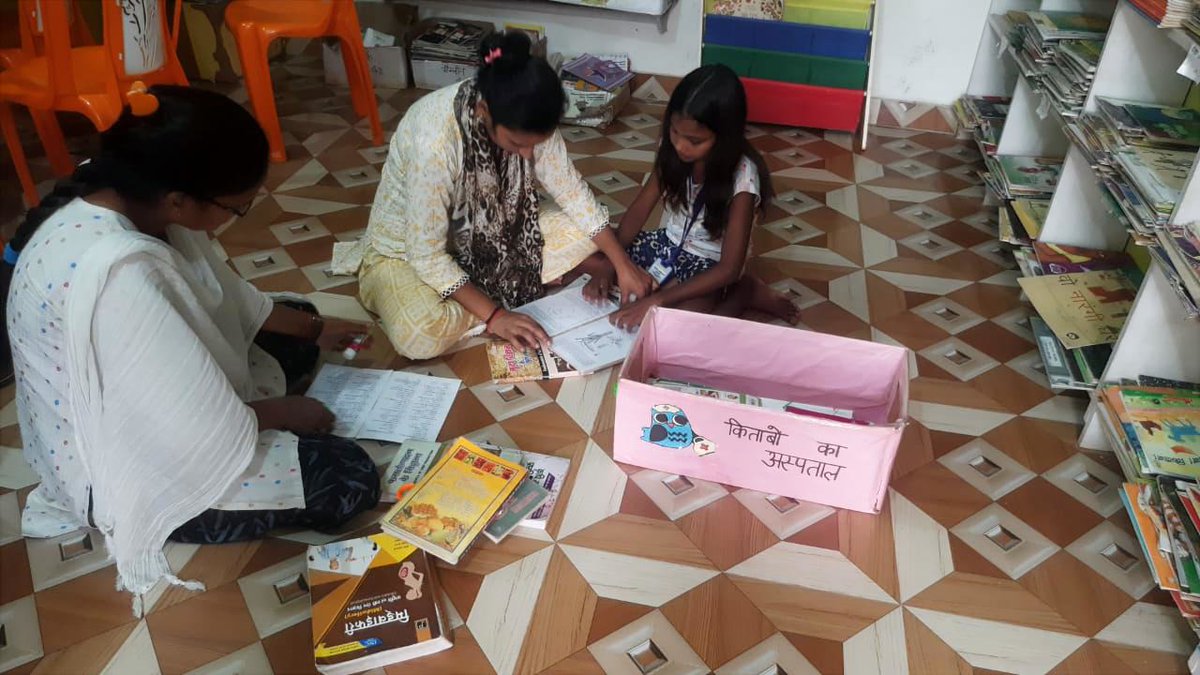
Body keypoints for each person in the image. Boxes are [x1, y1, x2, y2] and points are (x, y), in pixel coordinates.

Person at [2, 84, 381, 610]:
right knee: (347, 477)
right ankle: (178, 512)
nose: (239, 213)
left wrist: (317, 331)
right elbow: (182, 425)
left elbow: (226, 300)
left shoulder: (130, 193)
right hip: (119, 463)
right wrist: (282, 411)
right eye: (237, 207)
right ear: (181, 200)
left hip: (143, 398)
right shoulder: (121, 274)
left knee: (296, 317)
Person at [355, 31, 652, 360]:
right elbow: (426, 256)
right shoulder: (435, 139)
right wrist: (497, 317)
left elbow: (571, 192)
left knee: (591, 229)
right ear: (484, 111)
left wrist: (622, 265)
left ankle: (486, 289)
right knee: (419, 335)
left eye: (534, 144)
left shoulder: (534, 113)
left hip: (497, 235)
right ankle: (502, 292)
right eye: (516, 144)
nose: (527, 155)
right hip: (405, 253)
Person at [581, 64, 800, 328]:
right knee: (584, 257)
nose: (681, 146)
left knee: (686, 325)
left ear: (724, 138)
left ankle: (745, 292)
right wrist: (609, 265)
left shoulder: (743, 177)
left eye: (695, 141)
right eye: (674, 133)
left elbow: (728, 267)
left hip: (711, 267)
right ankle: (659, 287)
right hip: (666, 246)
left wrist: (657, 300)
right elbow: (638, 212)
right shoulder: (671, 150)